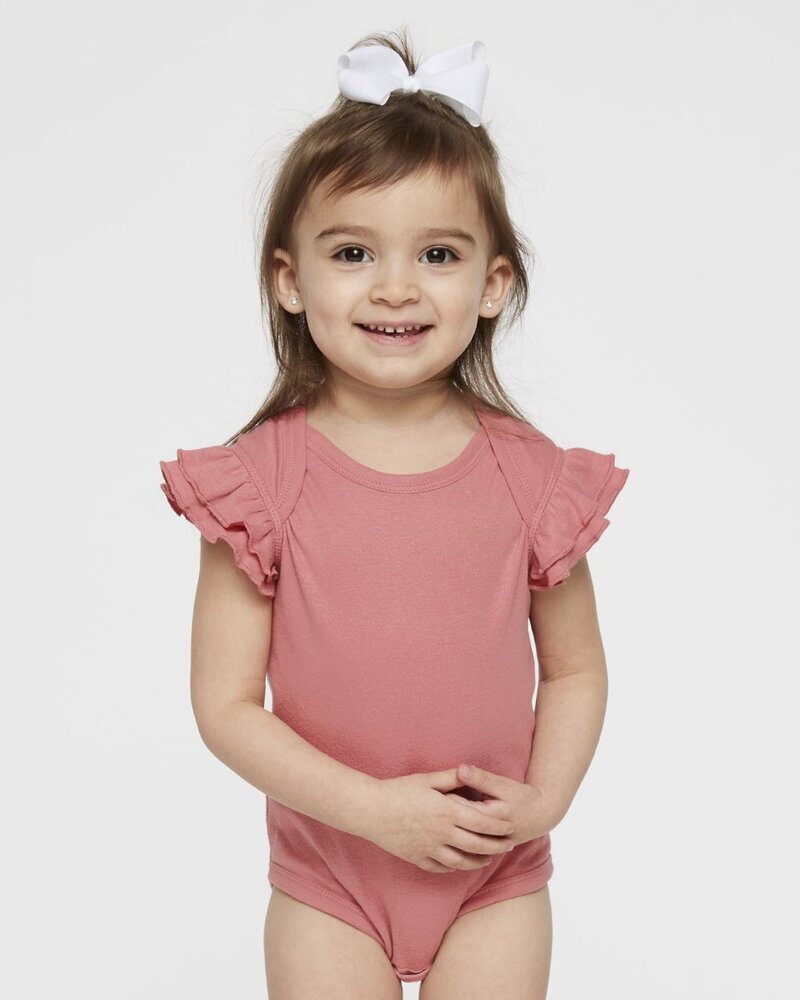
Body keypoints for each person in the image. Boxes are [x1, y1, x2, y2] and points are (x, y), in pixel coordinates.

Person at [159, 29, 630, 1000]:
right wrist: (374, 812)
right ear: (290, 279)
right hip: (332, 876)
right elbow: (226, 704)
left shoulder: (530, 478)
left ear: (492, 283)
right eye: (352, 252)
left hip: (491, 874)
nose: (395, 286)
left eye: (438, 253)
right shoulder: (258, 485)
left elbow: (576, 668)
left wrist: (545, 800)